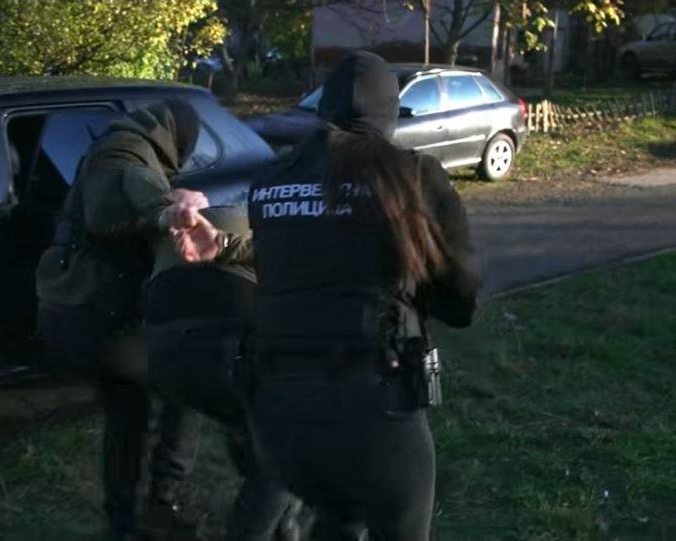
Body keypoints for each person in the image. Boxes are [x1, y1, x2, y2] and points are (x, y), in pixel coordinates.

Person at [174, 51, 481, 539]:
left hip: (278, 413)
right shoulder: (414, 175)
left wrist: (227, 246)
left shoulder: (271, 180)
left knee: (337, 519)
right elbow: (461, 299)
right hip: (374, 406)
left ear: (322, 109)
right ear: (390, 114)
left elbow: (301, 256)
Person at [35, 100, 208, 539]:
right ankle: (161, 501)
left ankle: (124, 519)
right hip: (101, 316)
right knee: (186, 385)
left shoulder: (125, 143)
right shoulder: (123, 150)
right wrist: (168, 207)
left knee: (127, 414)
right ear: (177, 137)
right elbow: (124, 189)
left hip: (91, 312)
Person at [146, 206, 301, 540]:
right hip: (228, 338)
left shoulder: (176, 214)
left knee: (247, 426)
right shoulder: (274, 222)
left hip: (163, 343)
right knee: (283, 453)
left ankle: (159, 502)